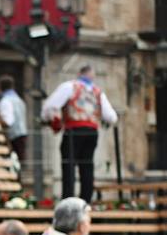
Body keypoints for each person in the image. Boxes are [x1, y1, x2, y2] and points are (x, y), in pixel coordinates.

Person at [42, 65, 119, 204]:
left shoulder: (70, 86)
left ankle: (68, 199)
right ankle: (85, 201)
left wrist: (49, 120)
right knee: (87, 165)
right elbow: (111, 117)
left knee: (68, 164)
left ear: (79, 73)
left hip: (73, 130)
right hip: (91, 132)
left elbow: (50, 106)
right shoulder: (98, 91)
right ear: (92, 76)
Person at [0, 75, 28, 167]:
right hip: (22, 135)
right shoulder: (19, 100)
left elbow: (7, 121)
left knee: (12, 165)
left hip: (12, 138)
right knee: (19, 164)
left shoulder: (5, 101)